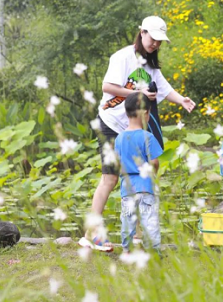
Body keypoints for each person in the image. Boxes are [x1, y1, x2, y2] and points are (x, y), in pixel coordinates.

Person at [79, 16, 196, 251]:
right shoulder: (122, 57)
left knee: (142, 177)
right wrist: (138, 91)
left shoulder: (150, 65)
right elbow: (107, 87)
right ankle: (91, 235)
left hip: (134, 129)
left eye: (159, 41)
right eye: (153, 39)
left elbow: (163, 88)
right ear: (142, 32)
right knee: (110, 178)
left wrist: (181, 100)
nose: (155, 44)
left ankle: (138, 235)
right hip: (112, 123)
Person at [115, 93, 163, 253]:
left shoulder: (119, 138)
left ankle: (127, 251)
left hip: (127, 189)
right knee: (149, 221)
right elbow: (154, 162)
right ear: (145, 113)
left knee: (127, 221)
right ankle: (153, 252)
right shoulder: (147, 137)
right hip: (145, 187)